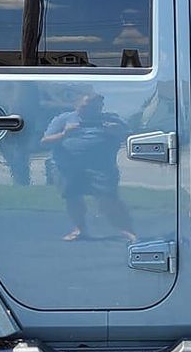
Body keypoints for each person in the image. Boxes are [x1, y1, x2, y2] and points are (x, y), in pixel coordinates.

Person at [40, 92, 135, 242]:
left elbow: (130, 137)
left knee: (108, 198)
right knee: (72, 197)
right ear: (76, 104)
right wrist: (65, 133)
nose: (89, 110)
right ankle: (80, 229)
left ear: (101, 107)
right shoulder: (63, 119)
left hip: (102, 167)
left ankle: (127, 231)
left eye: (94, 107)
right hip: (67, 166)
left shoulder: (112, 119)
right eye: (85, 106)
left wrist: (117, 132)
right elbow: (45, 142)